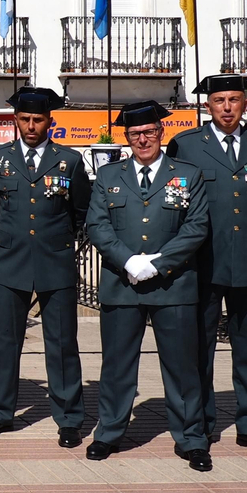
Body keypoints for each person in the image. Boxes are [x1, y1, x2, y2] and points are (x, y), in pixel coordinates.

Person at [85, 102, 213, 471]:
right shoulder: (109, 176)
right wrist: (128, 261)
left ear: (161, 134)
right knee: (117, 366)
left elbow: (196, 227)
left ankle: (191, 439)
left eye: (149, 133)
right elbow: (97, 226)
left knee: (181, 367)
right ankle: (108, 433)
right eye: (135, 134)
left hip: (173, 285)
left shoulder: (187, 175)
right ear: (127, 138)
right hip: (121, 285)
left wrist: (156, 264)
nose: (143, 140)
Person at [167, 75, 247, 458]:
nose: (228, 107)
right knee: (198, 348)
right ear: (207, 106)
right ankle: (199, 425)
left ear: (245, 103)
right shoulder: (185, 146)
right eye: (220, 100)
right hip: (202, 262)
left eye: (235, 99)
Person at [0, 87, 90, 447]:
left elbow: (80, 212)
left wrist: (55, 238)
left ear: (49, 121)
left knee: (61, 343)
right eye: (24, 119)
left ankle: (69, 417)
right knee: (6, 342)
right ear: (15, 120)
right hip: (12, 261)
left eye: (37, 119)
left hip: (55, 262)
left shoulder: (69, 160)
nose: (30, 126)